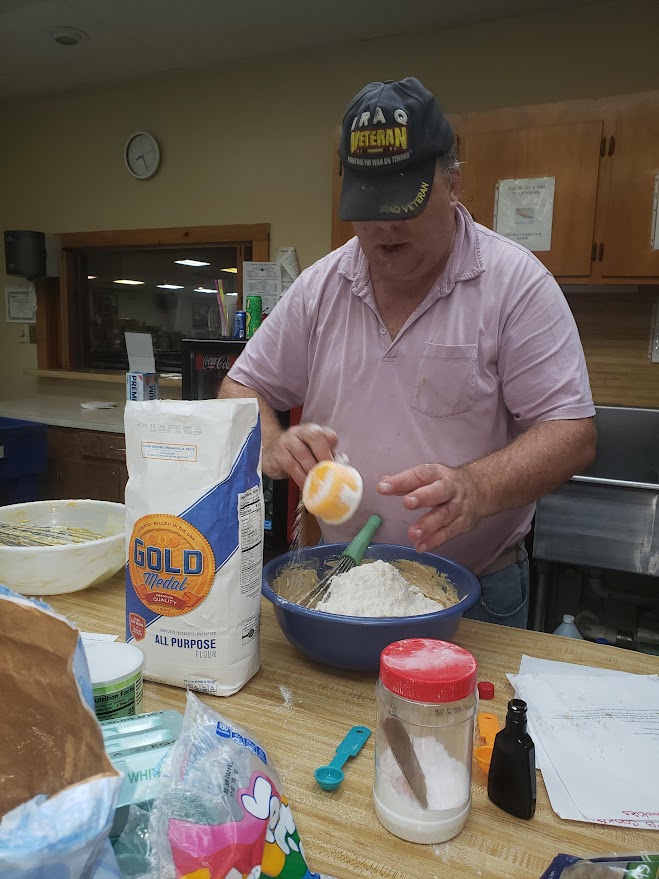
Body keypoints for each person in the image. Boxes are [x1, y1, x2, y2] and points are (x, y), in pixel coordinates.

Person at [220, 77, 596, 628]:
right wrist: (273, 442)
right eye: (367, 204)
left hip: (477, 593)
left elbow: (571, 433)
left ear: (453, 184)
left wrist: (476, 486)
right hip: (341, 577)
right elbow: (240, 386)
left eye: (403, 202)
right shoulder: (321, 286)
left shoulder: (515, 284)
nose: (382, 225)